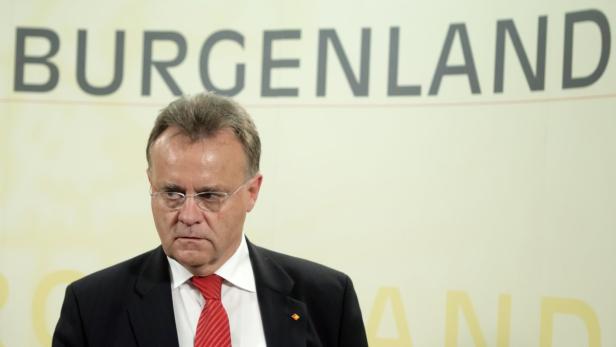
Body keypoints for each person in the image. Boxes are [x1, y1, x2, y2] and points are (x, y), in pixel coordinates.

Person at [52, 93, 368, 347]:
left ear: (252, 192)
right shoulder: (92, 308)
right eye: (172, 193)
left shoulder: (326, 299)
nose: (188, 216)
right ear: (151, 184)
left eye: (210, 196)